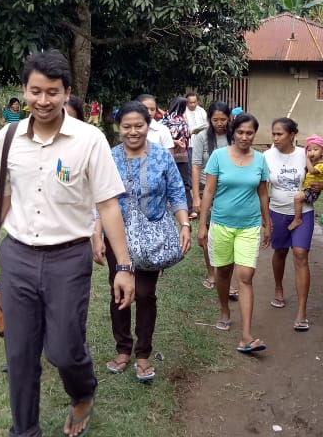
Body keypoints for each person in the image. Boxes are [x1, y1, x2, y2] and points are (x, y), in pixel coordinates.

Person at [0, 50, 136, 437]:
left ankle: (83, 393)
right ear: (24, 91)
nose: (43, 100)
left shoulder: (89, 140)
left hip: (69, 259)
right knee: (21, 352)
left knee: (64, 349)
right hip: (18, 256)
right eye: (35, 91)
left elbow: (108, 205)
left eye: (52, 92)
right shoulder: (8, 139)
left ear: (67, 93)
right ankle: (25, 436)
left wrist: (124, 266)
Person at [101, 101, 192, 382]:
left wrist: (185, 223)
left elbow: (177, 191)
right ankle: (123, 350)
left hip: (153, 236)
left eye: (138, 125)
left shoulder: (162, 157)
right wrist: (96, 232)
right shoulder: (110, 157)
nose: (133, 132)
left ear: (148, 125)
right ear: (119, 128)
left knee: (144, 293)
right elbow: (100, 198)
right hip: (118, 236)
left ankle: (143, 354)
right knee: (120, 291)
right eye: (126, 127)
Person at [198, 112, 272, 355]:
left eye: (249, 133)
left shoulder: (260, 160)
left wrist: (267, 222)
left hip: (249, 226)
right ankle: (224, 310)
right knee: (223, 271)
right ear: (233, 132)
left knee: (245, 276)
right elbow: (208, 191)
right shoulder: (219, 157)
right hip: (220, 224)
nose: (244, 137)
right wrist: (202, 224)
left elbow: (263, 193)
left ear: (254, 134)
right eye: (240, 132)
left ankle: (246, 336)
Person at [265, 118, 323, 333]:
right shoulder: (267, 156)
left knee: (300, 254)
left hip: (304, 212)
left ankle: (301, 311)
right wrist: (265, 218)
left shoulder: (305, 154)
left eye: (279, 134)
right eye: (273, 134)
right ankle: (278, 288)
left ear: (292, 135)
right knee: (280, 251)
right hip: (278, 212)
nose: (275, 138)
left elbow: (320, 178)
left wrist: (321, 184)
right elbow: (263, 189)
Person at [190, 102, 236, 292]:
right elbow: (195, 166)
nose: (219, 123)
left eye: (223, 119)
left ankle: (226, 276)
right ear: (209, 119)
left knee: (228, 234)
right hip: (205, 187)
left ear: (229, 119)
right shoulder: (201, 137)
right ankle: (211, 274)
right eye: (215, 119)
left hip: (228, 191)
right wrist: (195, 197)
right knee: (206, 233)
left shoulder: (234, 136)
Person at [162, 97, 193, 214]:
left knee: (182, 182)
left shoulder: (178, 118)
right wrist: (175, 142)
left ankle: (187, 209)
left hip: (181, 154)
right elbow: (163, 137)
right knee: (175, 181)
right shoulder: (168, 120)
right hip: (173, 155)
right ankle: (185, 209)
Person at [291, 135, 323, 231]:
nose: (312, 152)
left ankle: (297, 219)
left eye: (315, 150)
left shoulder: (322, 164)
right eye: (309, 150)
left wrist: (307, 158)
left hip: (312, 190)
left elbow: (312, 171)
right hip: (307, 188)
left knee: (297, 198)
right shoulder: (313, 162)